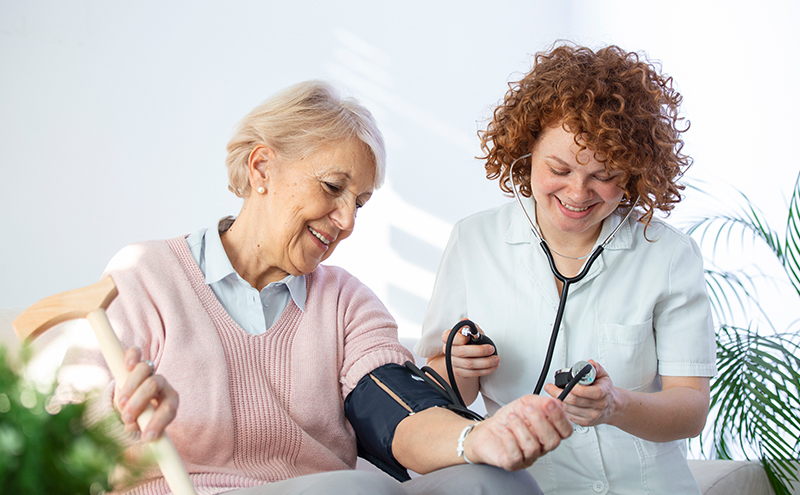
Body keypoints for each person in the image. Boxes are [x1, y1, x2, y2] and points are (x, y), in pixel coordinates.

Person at [55, 80, 573, 495]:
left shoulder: (346, 302)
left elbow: (393, 410)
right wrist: (128, 419)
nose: (347, 220)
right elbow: (66, 440)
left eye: (361, 202)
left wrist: (476, 437)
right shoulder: (148, 274)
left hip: (331, 487)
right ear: (262, 167)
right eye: (332, 187)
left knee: (493, 480)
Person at [414, 43, 717, 494]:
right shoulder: (473, 241)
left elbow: (690, 409)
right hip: (524, 486)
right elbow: (442, 389)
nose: (578, 193)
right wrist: (461, 365)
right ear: (526, 150)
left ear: (634, 173)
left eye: (605, 175)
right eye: (558, 168)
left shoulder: (667, 255)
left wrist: (616, 405)